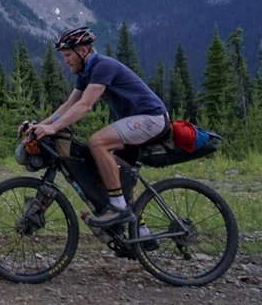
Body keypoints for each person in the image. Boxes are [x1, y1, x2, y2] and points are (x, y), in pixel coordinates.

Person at [32, 26, 168, 227]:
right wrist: (39, 126)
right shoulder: (86, 73)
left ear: (83, 51)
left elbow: (85, 105)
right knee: (117, 173)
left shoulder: (102, 66)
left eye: (68, 54)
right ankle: (142, 235)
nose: (66, 60)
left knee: (97, 142)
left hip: (152, 118)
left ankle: (118, 208)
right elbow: (69, 105)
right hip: (139, 120)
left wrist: (54, 128)